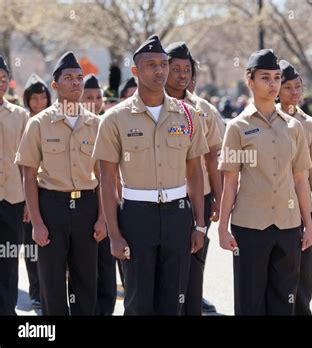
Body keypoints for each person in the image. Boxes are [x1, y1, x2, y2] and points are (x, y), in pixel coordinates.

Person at [92, 34, 209, 315]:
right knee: (138, 302)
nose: (159, 71)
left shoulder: (188, 115)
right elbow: (107, 180)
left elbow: (194, 171)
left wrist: (200, 224)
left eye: (163, 64)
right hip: (136, 217)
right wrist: (115, 234)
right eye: (150, 65)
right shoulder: (114, 119)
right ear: (135, 71)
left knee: (173, 302)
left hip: (178, 215)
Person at [218, 49, 312, 315]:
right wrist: (223, 227)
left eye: (276, 78)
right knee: (250, 302)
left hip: (288, 224)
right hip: (250, 227)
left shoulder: (294, 128)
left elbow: (300, 179)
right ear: (250, 81)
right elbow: (230, 181)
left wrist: (308, 225)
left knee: (285, 301)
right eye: (265, 78)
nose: (273, 84)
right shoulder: (237, 127)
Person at [15, 52, 107, 315]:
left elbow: (103, 176)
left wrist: (103, 218)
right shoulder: (39, 124)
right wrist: (37, 222)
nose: (76, 83)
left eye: (79, 78)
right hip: (51, 207)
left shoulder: (96, 124)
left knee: (86, 281)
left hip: (87, 208)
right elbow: (28, 175)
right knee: (52, 283)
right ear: (55, 86)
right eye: (69, 78)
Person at [164, 41, 223, 315]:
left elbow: (213, 157)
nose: (182, 75)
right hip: (165, 195)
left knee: (196, 256)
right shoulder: (156, 106)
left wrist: (219, 199)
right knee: (168, 261)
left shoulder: (203, 110)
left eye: (186, 69)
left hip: (200, 193)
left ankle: (191, 308)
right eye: (176, 69)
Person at [276, 60, 312, 315]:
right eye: (288, 87)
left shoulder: (308, 123)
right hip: (275, 205)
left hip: (301, 205)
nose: (295, 92)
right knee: (282, 271)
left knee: (304, 271)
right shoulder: (268, 119)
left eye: (298, 87)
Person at [81, 74, 117, 315]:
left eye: (97, 98)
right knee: (83, 266)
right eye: (88, 98)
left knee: (107, 264)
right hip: (82, 204)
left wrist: (106, 216)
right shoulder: (75, 125)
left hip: (108, 203)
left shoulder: (109, 124)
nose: (94, 103)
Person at [0, 56, 29, 315]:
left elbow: (27, 162)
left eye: (3, 79)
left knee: (8, 259)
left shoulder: (20, 115)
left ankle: (7, 310)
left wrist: (29, 202)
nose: (0, 83)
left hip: (12, 199)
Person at [21, 73, 52, 309]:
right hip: (26, 192)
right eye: (34, 99)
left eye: (42, 98)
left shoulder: (53, 121)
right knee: (32, 246)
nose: (39, 103)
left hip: (50, 192)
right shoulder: (23, 121)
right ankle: (35, 290)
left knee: (51, 246)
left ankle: (50, 291)